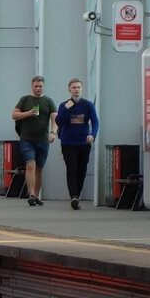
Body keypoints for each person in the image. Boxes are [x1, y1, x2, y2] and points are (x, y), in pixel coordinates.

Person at [55, 78, 99, 210]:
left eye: (78, 87)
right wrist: (66, 110)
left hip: (83, 143)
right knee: (72, 168)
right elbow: (59, 121)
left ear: (82, 89)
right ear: (69, 90)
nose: (76, 90)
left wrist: (93, 135)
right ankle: (73, 196)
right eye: (74, 87)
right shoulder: (64, 105)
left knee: (81, 169)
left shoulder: (88, 105)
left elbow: (95, 122)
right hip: (68, 142)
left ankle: (77, 195)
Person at [12, 75, 56, 206]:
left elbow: (55, 118)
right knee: (30, 165)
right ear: (32, 86)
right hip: (27, 139)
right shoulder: (25, 100)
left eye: (40, 86)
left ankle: (36, 196)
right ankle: (31, 194)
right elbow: (14, 115)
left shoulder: (48, 101)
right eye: (36, 86)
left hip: (43, 140)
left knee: (38, 169)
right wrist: (27, 113)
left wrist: (53, 132)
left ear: (43, 86)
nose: (38, 88)